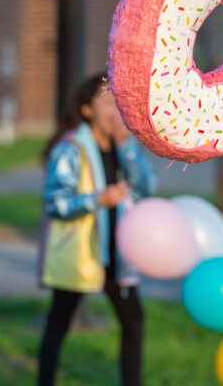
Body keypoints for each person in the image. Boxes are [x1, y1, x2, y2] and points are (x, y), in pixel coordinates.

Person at [36, 73, 156, 386]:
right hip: (83, 252)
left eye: (118, 101)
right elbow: (55, 203)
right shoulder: (71, 149)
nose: (115, 108)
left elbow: (146, 188)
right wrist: (98, 199)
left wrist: (128, 147)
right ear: (88, 110)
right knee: (59, 323)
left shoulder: (123, 146)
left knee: (134, 322)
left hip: (118, 252)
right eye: (106, 101)